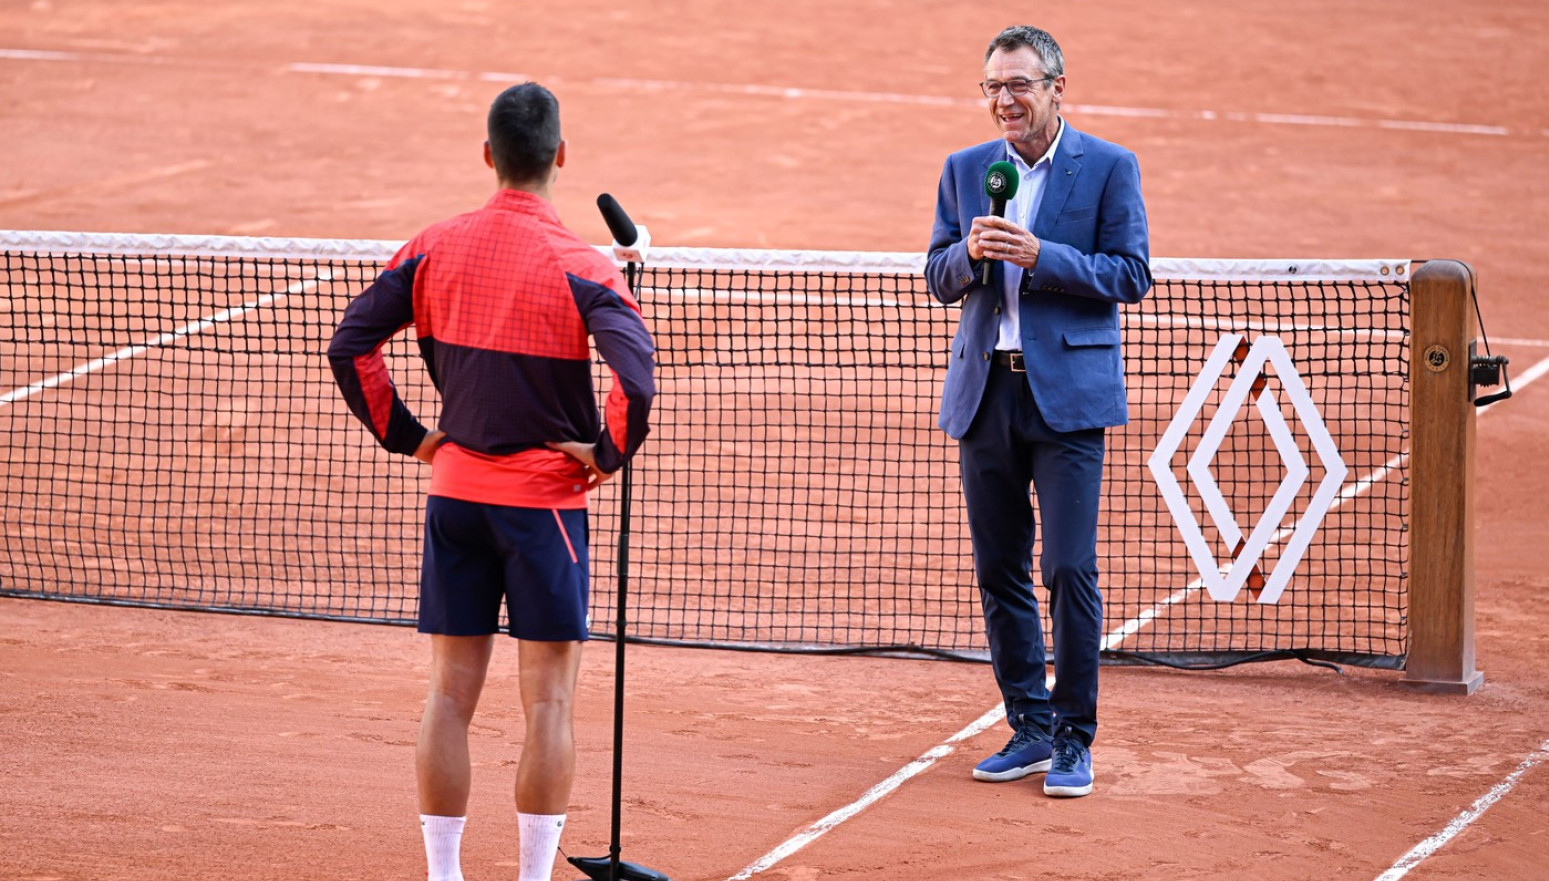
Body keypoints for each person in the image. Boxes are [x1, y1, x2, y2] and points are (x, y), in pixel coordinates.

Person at [327, 82, 656, 880]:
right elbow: (637, 381)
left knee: (447, 697)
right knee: (546, 702)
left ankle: (445, 876)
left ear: (488, 156)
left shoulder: (431, 246)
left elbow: (350, 346)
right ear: (560, 157)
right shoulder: (584, 268)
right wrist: (606, 454)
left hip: (456, 499)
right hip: (544, 510)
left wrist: (410, 437)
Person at [924, 26, 1151, 798]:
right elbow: (937, 273)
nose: (1004, 101)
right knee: (998, 568)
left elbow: (1130, 274)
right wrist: (973, 256)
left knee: (1067, 567)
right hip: (985, 393)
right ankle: (1026, 724)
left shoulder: (1109, 167)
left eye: (1018, 85)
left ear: (1056, 86)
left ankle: (1072, 737)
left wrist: (1038, 255)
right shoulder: (964, 171)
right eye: (992, 87)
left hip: (1067, 402)